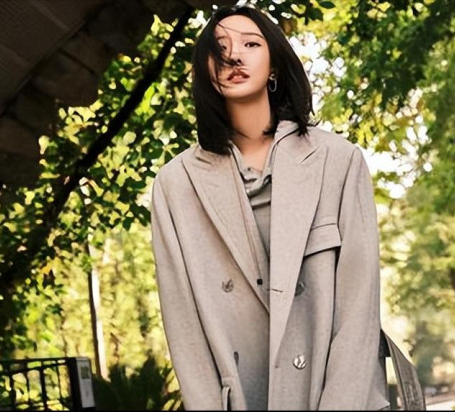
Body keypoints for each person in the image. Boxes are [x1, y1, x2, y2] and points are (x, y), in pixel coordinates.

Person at [151, 5, 398, 410]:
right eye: (220, 49)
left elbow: (359, 308)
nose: (234, 56)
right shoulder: (176, 186)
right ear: (205, 72)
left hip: (335, 396)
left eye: (250, 44)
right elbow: (184, 329)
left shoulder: (337, 162)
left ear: (275, 67)